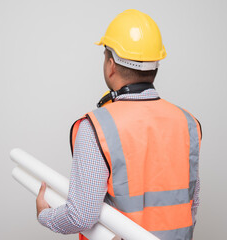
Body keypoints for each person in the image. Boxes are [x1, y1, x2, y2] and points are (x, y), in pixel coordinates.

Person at [36, 9, 202, 240]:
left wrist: (46, 215)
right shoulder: (188, 123)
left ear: (111, 64)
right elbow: (190, 207)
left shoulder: (97, 127)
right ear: (156, 66)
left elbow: (82, 216)